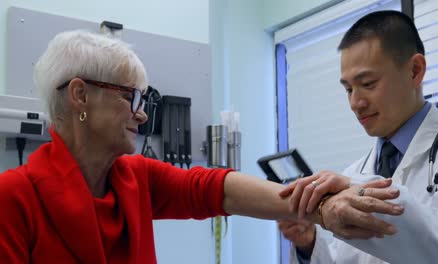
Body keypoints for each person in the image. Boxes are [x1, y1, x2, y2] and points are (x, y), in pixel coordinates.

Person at [0, 30, 403, 263]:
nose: (142, 115)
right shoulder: (14, 198)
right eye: (131, 98)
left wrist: (321, 206)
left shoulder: (133, 178)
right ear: (80, 96)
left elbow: (214, 189)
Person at [280, 10, 438, 264]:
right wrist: (309, 243)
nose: (355, 103)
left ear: (414, 71)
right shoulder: (355, 171)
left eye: (368, 84)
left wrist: (361, 192)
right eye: (348, 89)